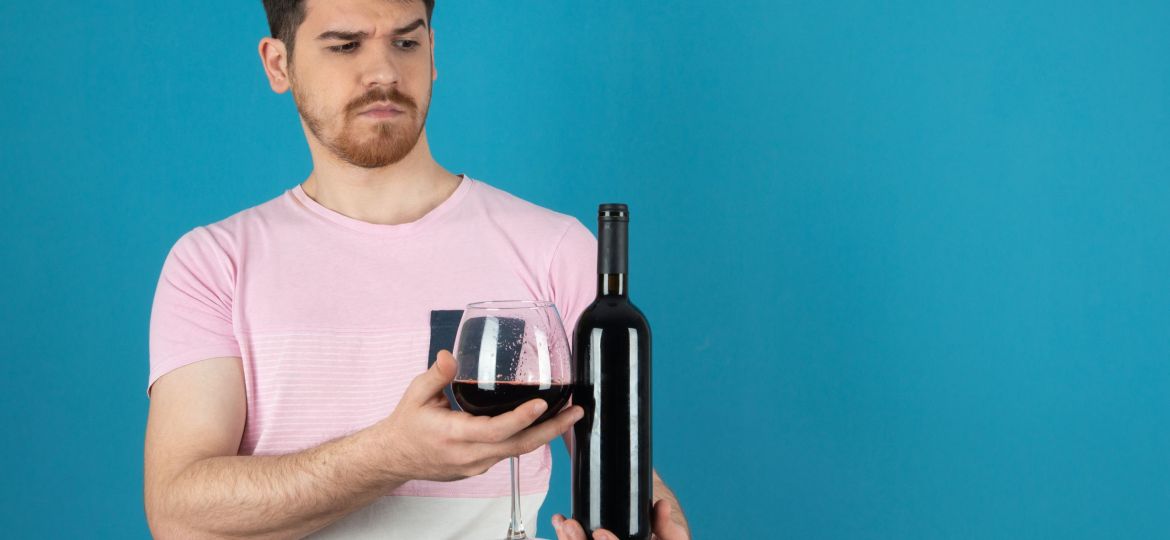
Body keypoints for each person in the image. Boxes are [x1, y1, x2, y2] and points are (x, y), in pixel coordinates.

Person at [142, 0, 690, 538]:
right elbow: (179, 513)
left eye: (406, 42)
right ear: (278, 64)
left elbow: (620, 470)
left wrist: (650, 521)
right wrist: (390, 455)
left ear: (433, 54)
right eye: (345, 45)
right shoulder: (214, 265)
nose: (383, 72)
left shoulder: (553, 249)